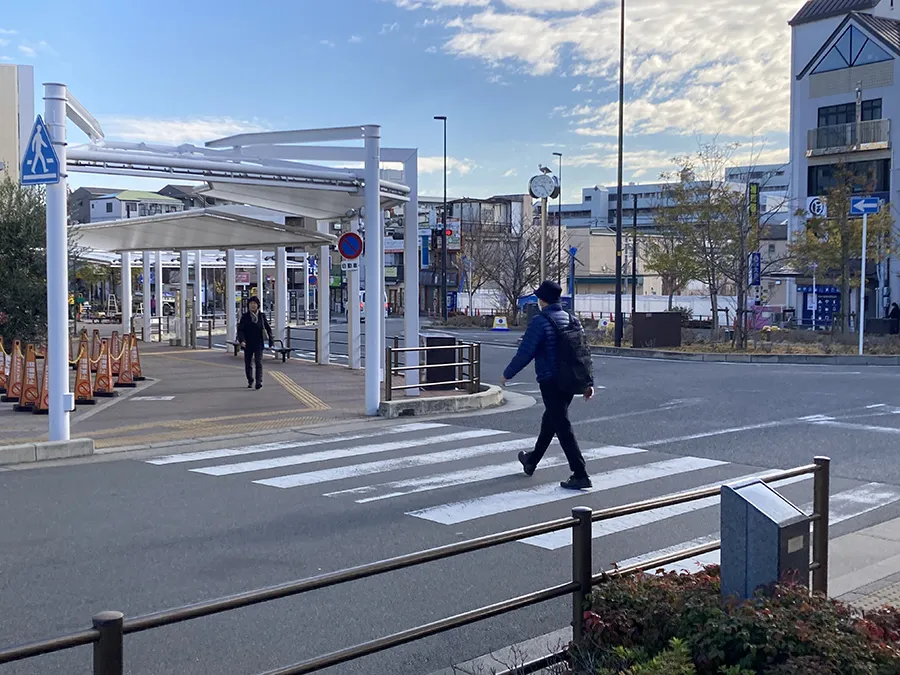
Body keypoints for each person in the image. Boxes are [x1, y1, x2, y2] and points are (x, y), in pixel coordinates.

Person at [502, 280, 594, 490]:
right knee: (551, 420)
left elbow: (526, 352)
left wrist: (508, 374)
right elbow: (584, 354)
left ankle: (580, 473)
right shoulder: (573, 320)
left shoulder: (540, 321)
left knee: (561, 425)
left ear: (542, 300)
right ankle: (531, 460)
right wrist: (588, 382)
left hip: (550, 380)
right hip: (571, 380)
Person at [237, 296, 274, 389]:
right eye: (251, 303)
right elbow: (240, 330)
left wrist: (271, 341)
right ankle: (250, 379)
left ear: (258, 305)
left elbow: (268, 329)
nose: (253, 305)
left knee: (259, 362)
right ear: (248, 305)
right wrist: (242, 340)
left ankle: (259, 382)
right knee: (248, 363)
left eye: (254, 303)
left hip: (258, 343)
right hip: (247, 343)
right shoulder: (245, 317)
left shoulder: (262, 316)